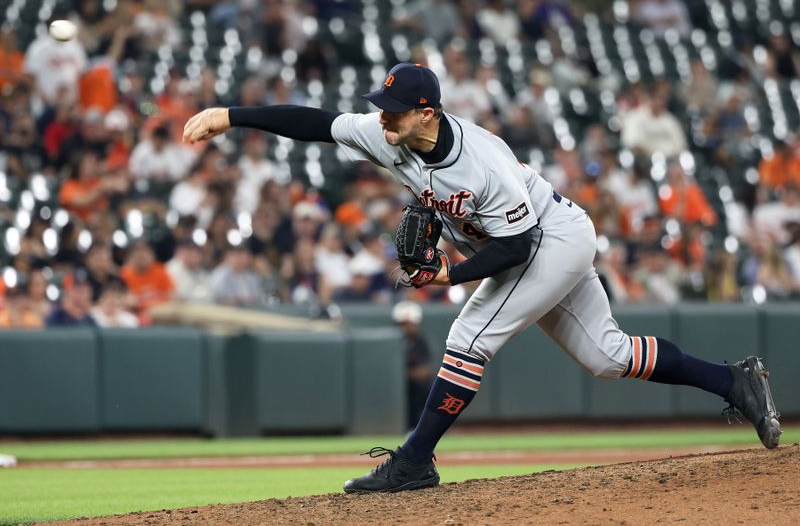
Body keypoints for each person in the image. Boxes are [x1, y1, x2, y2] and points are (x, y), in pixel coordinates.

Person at [183, 62, 782, 494]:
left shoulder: (483, 161)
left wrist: (452, 275)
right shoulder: (388, 133)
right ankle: (734, 382)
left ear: (428, 112)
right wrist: (231, 116)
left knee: (469, 340)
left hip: (550, 237)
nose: (380, 118)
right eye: (380, 107)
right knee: (608, 355)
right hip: (532, 241)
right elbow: (315, 123)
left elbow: (518, 246)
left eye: (392, 110)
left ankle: (415, 461)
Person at [392, 301, 435, 430]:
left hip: (416, 386)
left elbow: (425, 370)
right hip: (396, 387)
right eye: (401, 324)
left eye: (408, 324)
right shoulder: (392, 341)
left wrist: (404, 374)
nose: (405, 328)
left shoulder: (421, 341)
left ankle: (425, 428)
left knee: (425, 388)